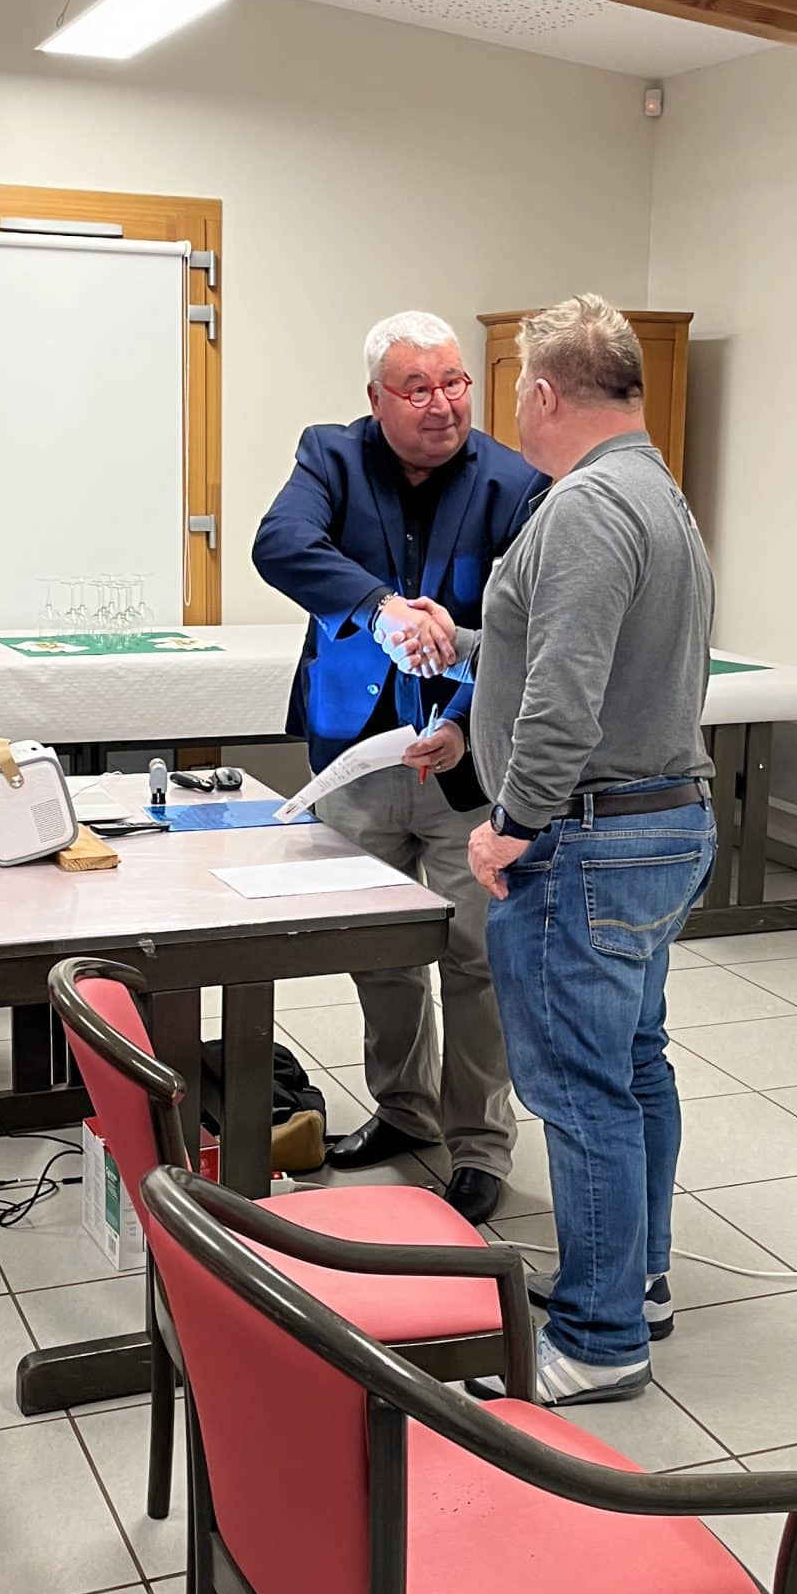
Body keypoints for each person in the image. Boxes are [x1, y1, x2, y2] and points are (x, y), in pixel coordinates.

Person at [398, 294, 716, 1403]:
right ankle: (638, 1281)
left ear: (541, 394)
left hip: (586, 840)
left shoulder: (582, 509)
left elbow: (568, 702)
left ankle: (595, 1336)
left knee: (579, 1090)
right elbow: (574, 655)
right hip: (660, 825)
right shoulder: (655, 492)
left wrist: (510, 823)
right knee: (632, 1066)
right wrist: (474, 657)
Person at [252, 310, 545, 1224]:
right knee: (380, 954)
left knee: (473, 959)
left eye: (455, 382)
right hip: (359, 754)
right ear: (376, 398)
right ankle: (405, 1111)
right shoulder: (330, 460)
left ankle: (479, 1145)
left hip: (463, 766)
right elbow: (281, 546)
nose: (442, 403)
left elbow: (526, 629)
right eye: (417, 387)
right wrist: (380, 609)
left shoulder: (514, 483)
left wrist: (462, 719)